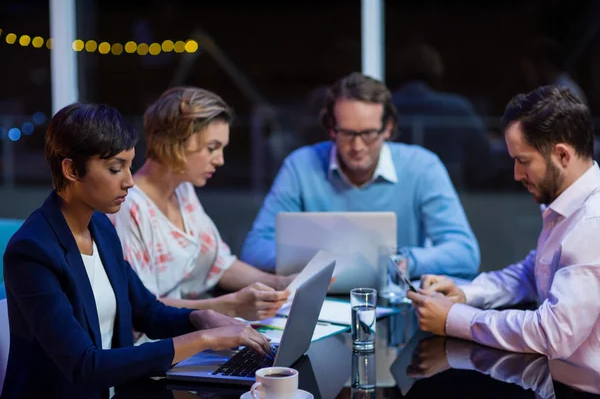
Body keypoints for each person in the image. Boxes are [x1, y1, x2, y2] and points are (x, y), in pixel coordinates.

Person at [2, 103, 272, 399]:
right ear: (70, 170)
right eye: (115, 168)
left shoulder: (101, 227)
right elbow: (84, 366)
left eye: (130, 166)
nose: (129, 181)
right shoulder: (32, 251)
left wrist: (202, 317)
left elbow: (147, 311)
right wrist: (205, 338)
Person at [408, 86, 600, 371]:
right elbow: (532, 273)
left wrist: (455, 318)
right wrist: (466, 293)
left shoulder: (591, 223)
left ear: (562, 155)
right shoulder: (569, 208)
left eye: (523, 161)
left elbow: (550, 335)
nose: (516, 174)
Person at [241, 72, 480, 280]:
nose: (357, 146)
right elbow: (254, 249)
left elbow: (464, 253)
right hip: (320, 301)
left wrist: (401, 261)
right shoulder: (301, 166)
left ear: (388, 128)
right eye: (346, 133)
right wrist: (316, 261)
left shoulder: (422, 167)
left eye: (368, 134)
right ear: (332, 128)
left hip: (396, 303)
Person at [109, 87, 292, 323]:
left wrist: (282, 283)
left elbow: (219, 263)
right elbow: (142, 307)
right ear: (176, 141)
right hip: (155, 348)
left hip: (188, 336)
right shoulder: (128, 208)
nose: (220, 160)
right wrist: (229, 307)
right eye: (212, 148)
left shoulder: (183, 190)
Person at [391, 43, 494, 188]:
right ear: (438, 74)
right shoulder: (458, 109)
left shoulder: (386, 108)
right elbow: (484, 164)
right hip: (454, 194)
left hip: (395, 195)